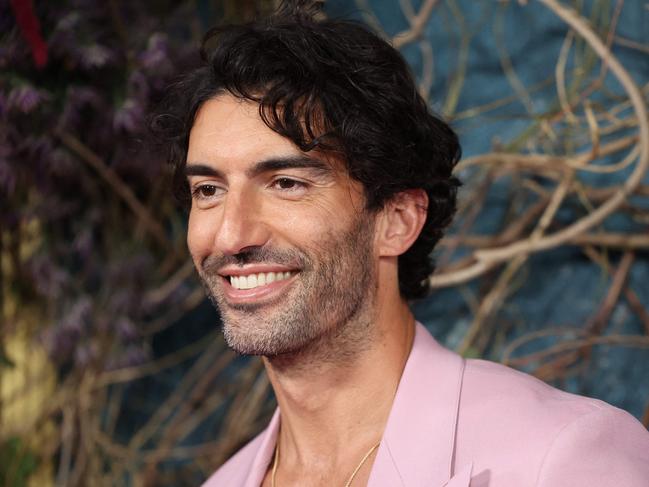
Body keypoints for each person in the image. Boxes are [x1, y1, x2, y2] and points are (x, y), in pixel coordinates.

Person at [153, 1, 649, 486]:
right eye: (209, 190)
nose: (232, 235)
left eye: (287, 183)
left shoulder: (560, 457)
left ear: (397, 219)